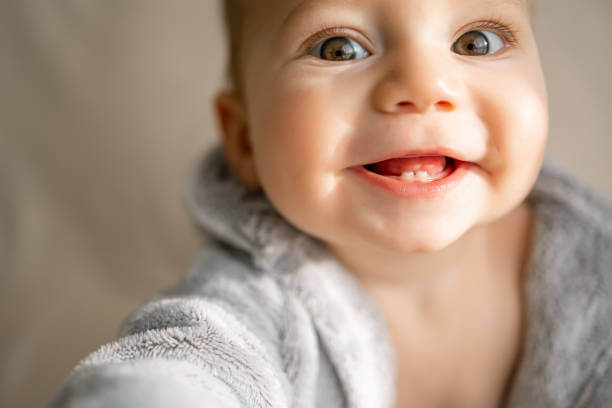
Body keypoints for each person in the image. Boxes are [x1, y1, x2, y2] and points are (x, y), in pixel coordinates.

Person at [53, 0, 612, 407]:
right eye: (338, 48)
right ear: (245, 141)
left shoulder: (597, 279)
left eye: (477, 41)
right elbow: (182, 371)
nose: (423, 85)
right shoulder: (255, 304)